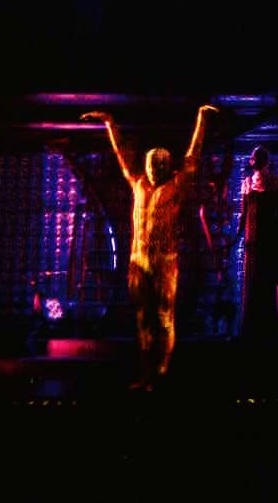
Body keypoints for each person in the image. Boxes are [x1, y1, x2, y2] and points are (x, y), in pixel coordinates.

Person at [80, 104, 215, 389]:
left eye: (161, 165)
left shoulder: (176, 186)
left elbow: (193, 156)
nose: (155, 169)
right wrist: (109, 123)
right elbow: (121, 156)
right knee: (142, 317)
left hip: (164, 261)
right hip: (138, 259)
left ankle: (163, 371)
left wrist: (201, 119)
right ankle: (145, 373)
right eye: (152, 164)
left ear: (168, 167)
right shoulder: (138, 183)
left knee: (165, 315)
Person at [237, 146, 278, 344]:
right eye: (251, 158)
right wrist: (238, 236)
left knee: (265, 282)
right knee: (251, 283)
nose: (251, 161)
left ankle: (267, 329)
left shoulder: (276, 183)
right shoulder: (247, 183)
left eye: (255, 158)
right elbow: (243, 212)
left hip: (267, 243)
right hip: (251, 242)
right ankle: (250, 328)